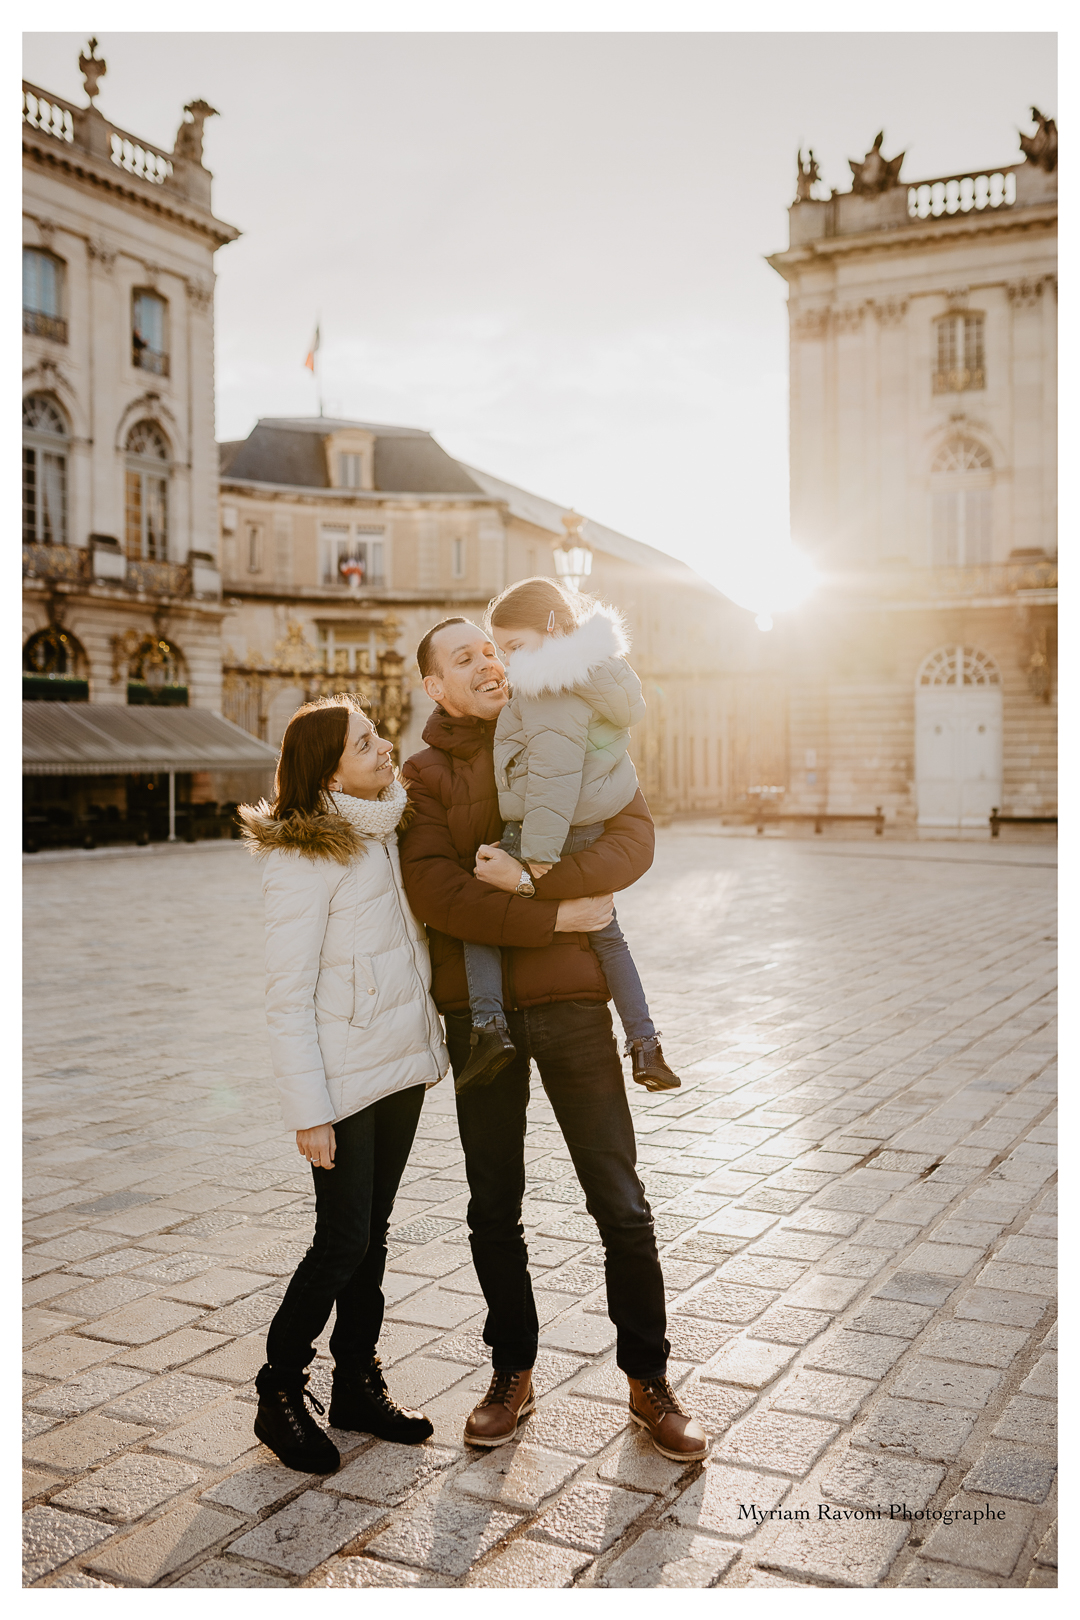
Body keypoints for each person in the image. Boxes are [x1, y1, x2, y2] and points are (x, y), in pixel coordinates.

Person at [399, 618, 707, 1462]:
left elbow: (633, 837)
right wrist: (559, 915)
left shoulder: (562, 716)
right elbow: (436, 895)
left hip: (573, 1001)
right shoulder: (422, 776)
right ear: (436, 687)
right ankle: (511, 1372)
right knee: (493, 1206)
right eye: (466, 657)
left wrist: (541, 880)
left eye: (492, 648)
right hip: (479, 1013)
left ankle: (649, 1378)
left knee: (620, 1198)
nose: (489, 662)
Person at [238, 695, 448, 1474]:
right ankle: (278, 1390)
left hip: (397, 1068)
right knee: (341, 1241)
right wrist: (310, 1113)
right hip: (343, 1081)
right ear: (328, 772)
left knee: (374, 1233)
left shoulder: (384, 829)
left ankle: (356, 1380)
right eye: (364, 743)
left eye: (376, 734)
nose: (384, 747)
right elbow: (286, 997)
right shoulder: (305, 857)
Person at [454, 576, 680, 1094]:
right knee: (609, 937)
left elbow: (554, 777)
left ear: (552, 627)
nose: (509, 661)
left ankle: (488, 1029)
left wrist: (532, 858)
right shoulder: (597, 673)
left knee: (481, 909)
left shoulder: (547, 687)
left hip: (550, 829)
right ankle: (645, 1044)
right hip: (591, 824)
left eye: (514, 646)